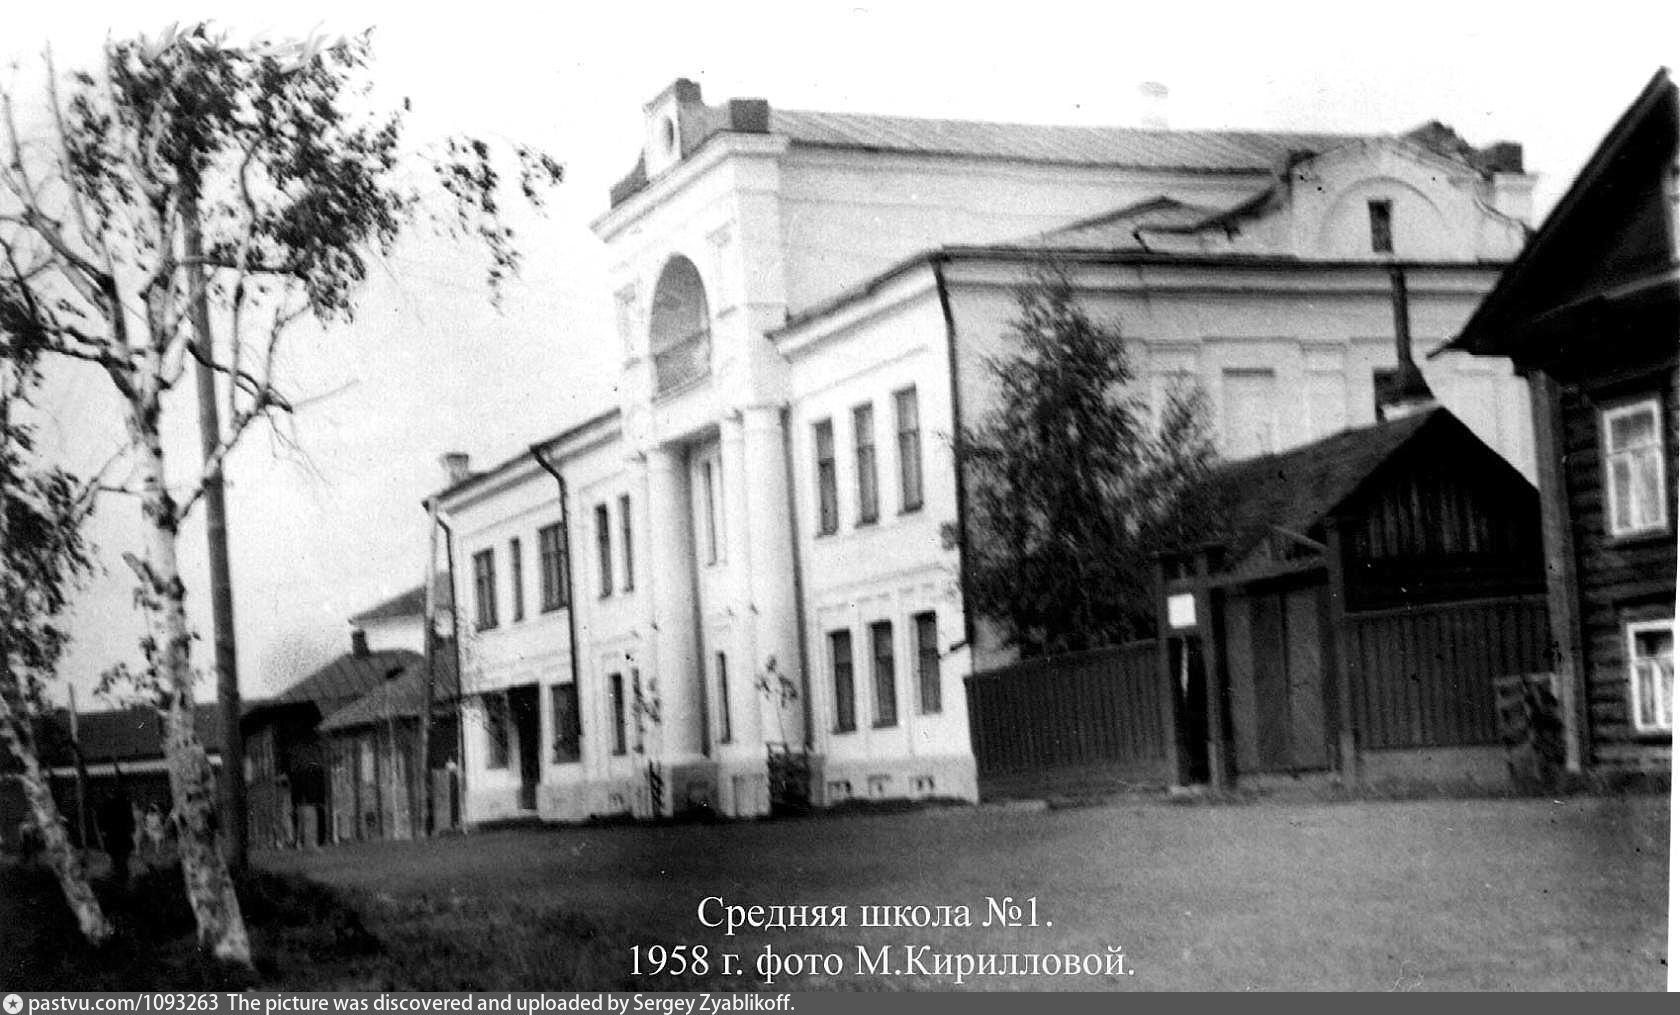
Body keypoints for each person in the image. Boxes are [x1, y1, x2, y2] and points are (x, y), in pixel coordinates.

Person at [96, 777, 135, 890]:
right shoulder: (124, 803)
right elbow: (130, 819)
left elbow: (101, 819)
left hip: (114, 836)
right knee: (121, 859)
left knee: (117, 858)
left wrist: (103, 830)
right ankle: (121, 877)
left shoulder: (106, 804)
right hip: (121, 836)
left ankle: (119, 877)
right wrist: (130, 829)